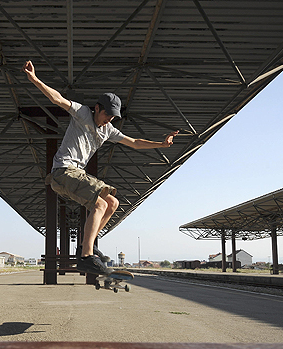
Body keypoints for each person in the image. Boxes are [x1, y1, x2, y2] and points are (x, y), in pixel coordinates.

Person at [23, 60, 178, 275]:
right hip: (63, 171)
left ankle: (86, 247)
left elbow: (134, 142)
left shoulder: (109, 130)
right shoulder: (82, 113)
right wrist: (34, 79)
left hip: (76, 174)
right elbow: (57, 99)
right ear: (97, 108)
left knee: (112, 203)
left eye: (113, 117)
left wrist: (161, 144)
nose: (109, 120)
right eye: (107, 115)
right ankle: (87, 257)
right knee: (99, 204)